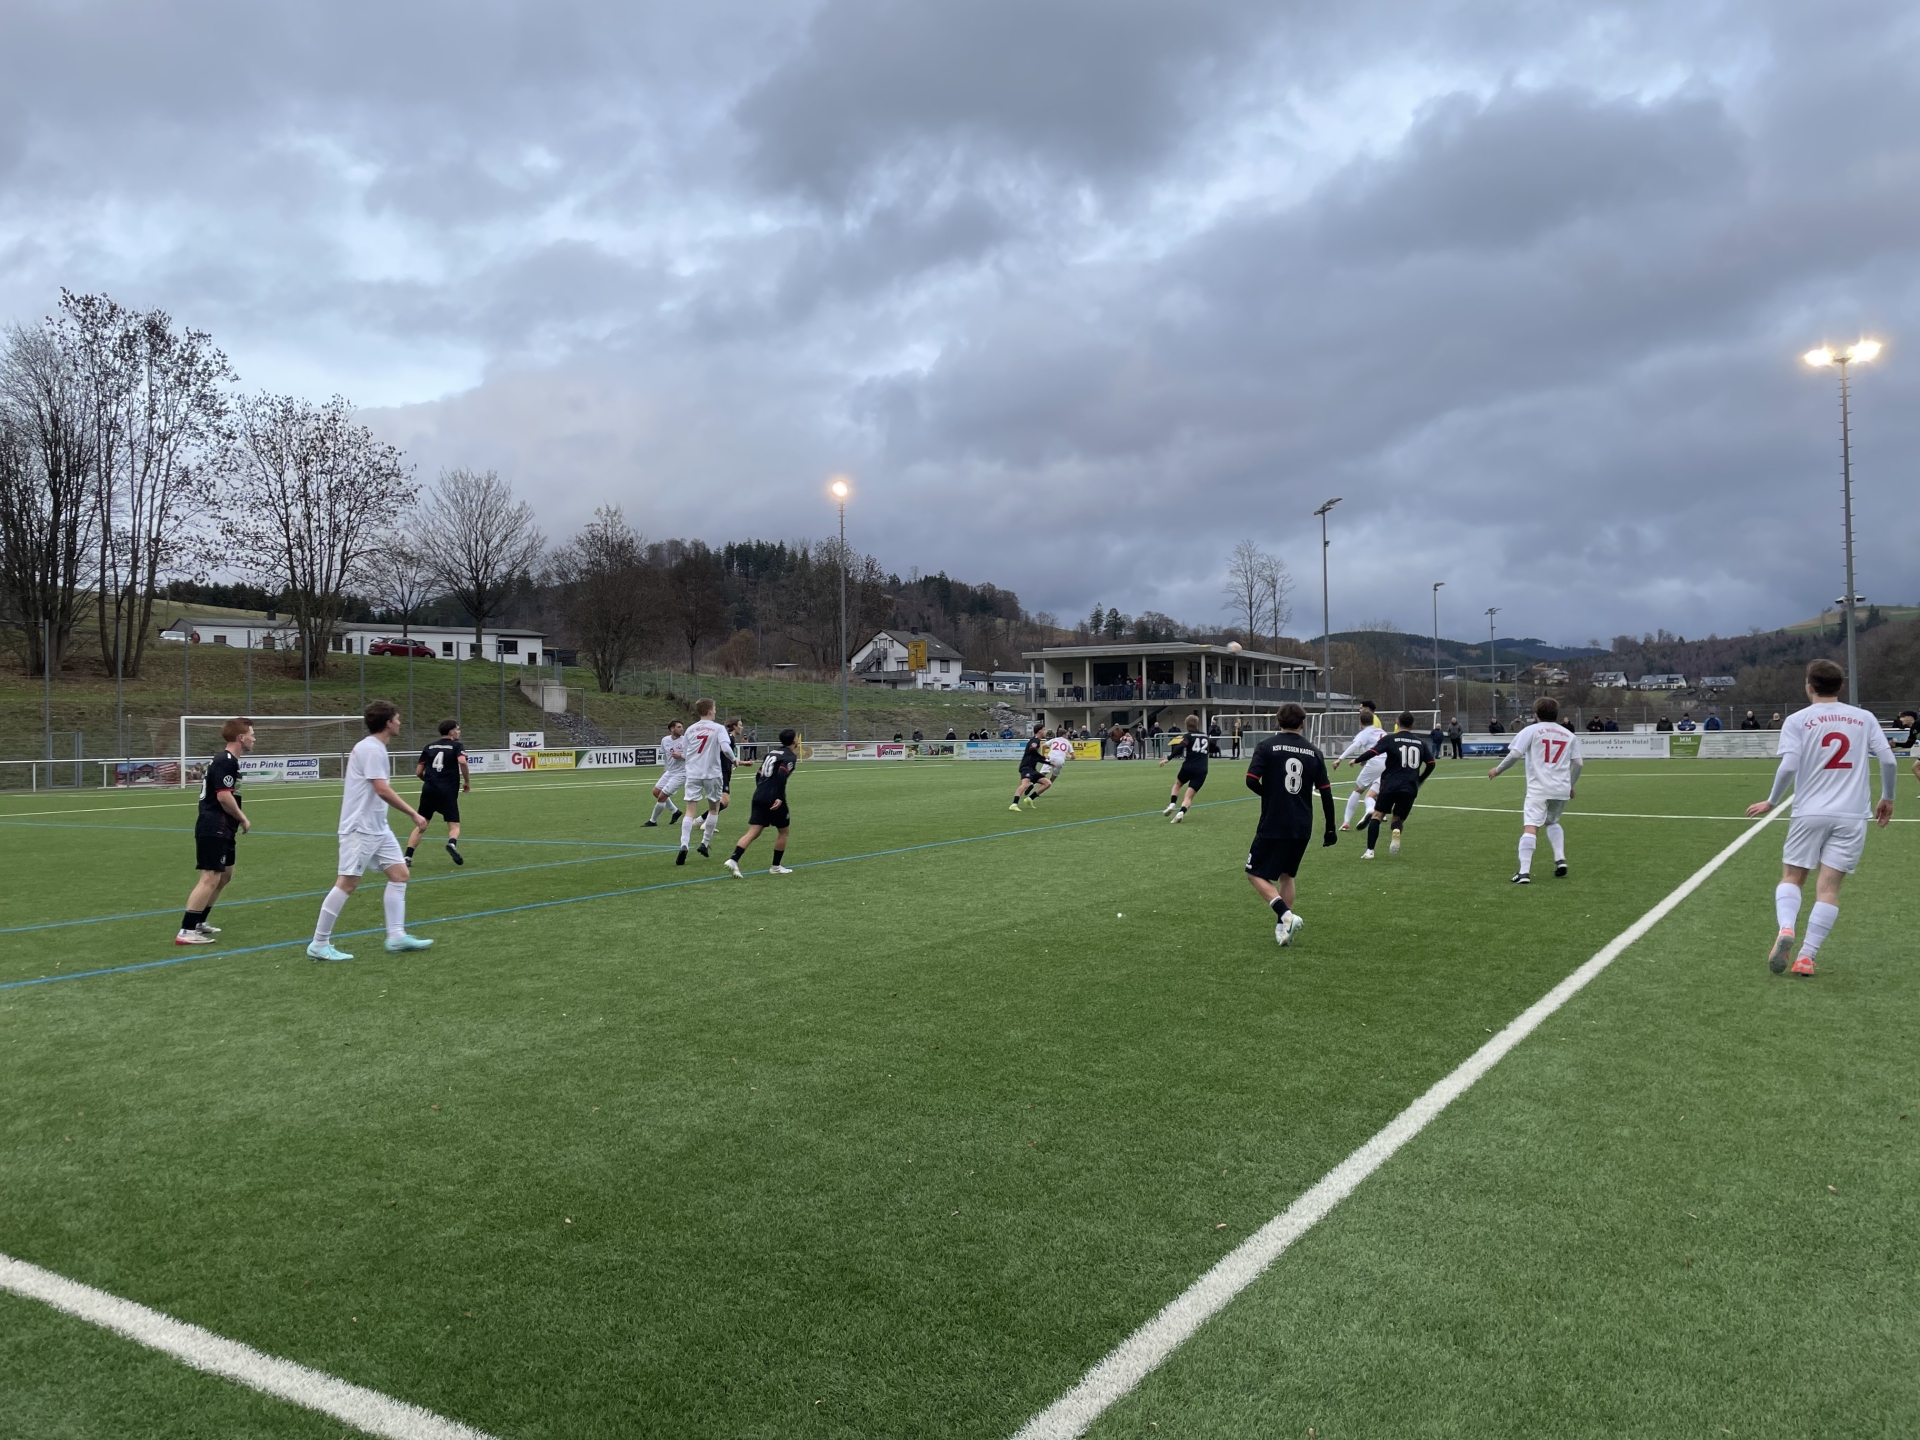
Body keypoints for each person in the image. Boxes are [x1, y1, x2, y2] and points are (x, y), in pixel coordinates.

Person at [1746, 660, 1897, 976]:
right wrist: (1888, 797)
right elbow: (1888, 761)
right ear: (1841, 686)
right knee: (1828, 888)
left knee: (1792, 877)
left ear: (1809, 686)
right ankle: (1806, 957)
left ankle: (1787, 927)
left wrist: (1772, 801)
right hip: (1852, 815)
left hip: (1810, 812)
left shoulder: (1797, 720)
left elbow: (1789, 766)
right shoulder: (1864, 718)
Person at [307, 702, 432, 961]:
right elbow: (381, 789)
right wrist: (413, 813)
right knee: (347, 883)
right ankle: (319, 943)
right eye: (397, 718)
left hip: (377, 828)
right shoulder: (372, 749)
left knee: (399, 874)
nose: (400, 722)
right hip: (360, 828)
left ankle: (396, 936)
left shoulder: (374, 748)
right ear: (388, 723)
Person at [1243, 702, 1336, 947]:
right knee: (1287, 875)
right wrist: (1330, 827)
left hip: (1274, 821)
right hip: (1302, 824)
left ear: (1278, 721)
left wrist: (1269, 794)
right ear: (1303, 724)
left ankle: (1286, 915)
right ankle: (1282, 929)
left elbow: (1251, 780)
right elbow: (1326, 792)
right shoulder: (1314, 752)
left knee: (1253, 872)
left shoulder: (1266, 746)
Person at [175, 717, 254, 945]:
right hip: (214, 826)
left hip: (224, 827)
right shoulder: (225, 761)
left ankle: (199, 921)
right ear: (241, 737)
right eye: (252, 735)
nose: (254, 739)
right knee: (210, 877)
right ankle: (187, 930)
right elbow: (223, 796)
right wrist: (242, 817)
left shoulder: (229, 762)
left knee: (225, 875)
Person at [1489, 697, 1582, 883]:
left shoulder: (1531, 730)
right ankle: (1560, 859)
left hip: (1538, 788)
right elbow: (1578, 764)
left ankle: (1524, 872)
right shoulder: (1569, 735)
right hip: (1561, 789)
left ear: (1536, 714)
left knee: (1531, 826)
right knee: (1552, 821)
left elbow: (1515, 754)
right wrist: (1570, 786)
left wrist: (1497, 770)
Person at [1356, 710, 1436, 859]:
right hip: (1410, 786)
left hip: (1390, 784)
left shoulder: (1390, 739)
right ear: (1413, 725)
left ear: (1397, 722)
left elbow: (1373, 752)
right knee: (1397, 819)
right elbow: (1431, 763)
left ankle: (1370, 851)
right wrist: (1420, 779)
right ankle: (1396, 831)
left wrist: (1357, 759)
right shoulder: (1421, 743)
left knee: (1377, 815)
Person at [725, 729, 799, 877]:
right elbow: (782, 775)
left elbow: (758, 774)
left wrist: (762, 790)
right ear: (794, 740)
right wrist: (778, 796)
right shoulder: (790, 756)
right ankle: (775, 867)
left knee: (754, 831)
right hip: (774, 798)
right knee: (783, 832)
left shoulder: (771, 753)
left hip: (759, 795)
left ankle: (733, 859)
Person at [676, 698, 735, 864]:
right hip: (712, 774)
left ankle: (684, 845)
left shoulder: (690, 729)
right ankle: (704, 843)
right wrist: (734, 759)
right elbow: (725, 748)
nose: (715, 711)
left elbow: (685, 753)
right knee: (714, 809)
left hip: (693, 773)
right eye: (714, 709)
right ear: (710, 711)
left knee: (690, 811)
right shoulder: (718, 728)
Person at [406, 719, 469, 866]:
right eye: (457, 729)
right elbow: (462, 761)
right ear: (451, 732)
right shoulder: (457, 745)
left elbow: (418, 772)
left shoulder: (429, 746)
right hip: (447, 790)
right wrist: (467, 781)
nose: (459, 732)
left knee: (422, 824)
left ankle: (407, 857)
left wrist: (428, 781)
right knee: (454, 825)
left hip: (429, 789)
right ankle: (452, 843)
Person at [1329, 702, 1385, 832]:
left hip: (1375, 763)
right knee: (1372, 794)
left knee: (1357, 790)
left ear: (1360, 722)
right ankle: (1371, 808)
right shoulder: (1382, 731)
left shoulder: (1365, 733)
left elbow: (1354, 746)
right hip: (1387, 765)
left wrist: (1340, 759)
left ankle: (1346, 822)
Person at [1159, 712, 1212, 823]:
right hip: (1202, 769)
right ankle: (1181, 812)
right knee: (1188, 796)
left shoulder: (1188, 736)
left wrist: (1169, 758)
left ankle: (1172, 804)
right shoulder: (1205, 737)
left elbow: (1181, 746)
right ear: (1197, 724)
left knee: (1177, 785)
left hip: (1188, 767)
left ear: (1187, 725)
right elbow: (1213, 747)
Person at [645, 721, 686, 828]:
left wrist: (681, 756)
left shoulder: (686, 740)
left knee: (662, 796)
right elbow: (667, 758)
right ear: (672, 729)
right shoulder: (665, 740)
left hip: (681, 773)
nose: (682, 729)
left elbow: (694, 756)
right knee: (656, 792)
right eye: (679, 727)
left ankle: (653, 821)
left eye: (682, 727)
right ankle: (675, 811)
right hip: (670, 772)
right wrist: (665, 770)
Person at [1009, 724, 1047, 809]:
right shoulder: (1035, 740)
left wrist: (1048, 762)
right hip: (1026, 767)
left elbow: (1035, 757)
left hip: (1032, 769)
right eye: (1044, 729)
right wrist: (1043, 757)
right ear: (1040, 731)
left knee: (1047, 783)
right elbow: (1032, 750)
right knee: (1025, 785)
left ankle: (1029, 799)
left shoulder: (1037, 741)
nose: (1045, 731)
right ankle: (1014, 804)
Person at [1031, 728, 1074, 798]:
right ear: (1064, 735)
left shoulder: (1054, 739)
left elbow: (1044, 746)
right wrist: (1068, 756)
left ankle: (1032, 784)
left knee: (1042, 773)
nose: (1067, 736)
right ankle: (1038, 792)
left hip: (1050, 757)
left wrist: (1043, 755)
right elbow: (1073, 757)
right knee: (1053, 777)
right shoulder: (1067, 742)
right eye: (1066, 735)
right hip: (1060, 760)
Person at [718, 718, 747, 810]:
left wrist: (744, 763)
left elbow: (728, 757)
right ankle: (700, 818)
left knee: (719, 802)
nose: (742, 727)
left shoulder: (730, 738)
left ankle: (703, 818)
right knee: (724, 801)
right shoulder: (729, 738)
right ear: (734, 726)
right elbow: (723, 751)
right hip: (722, 772)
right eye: (740, 725)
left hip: (724, 771)